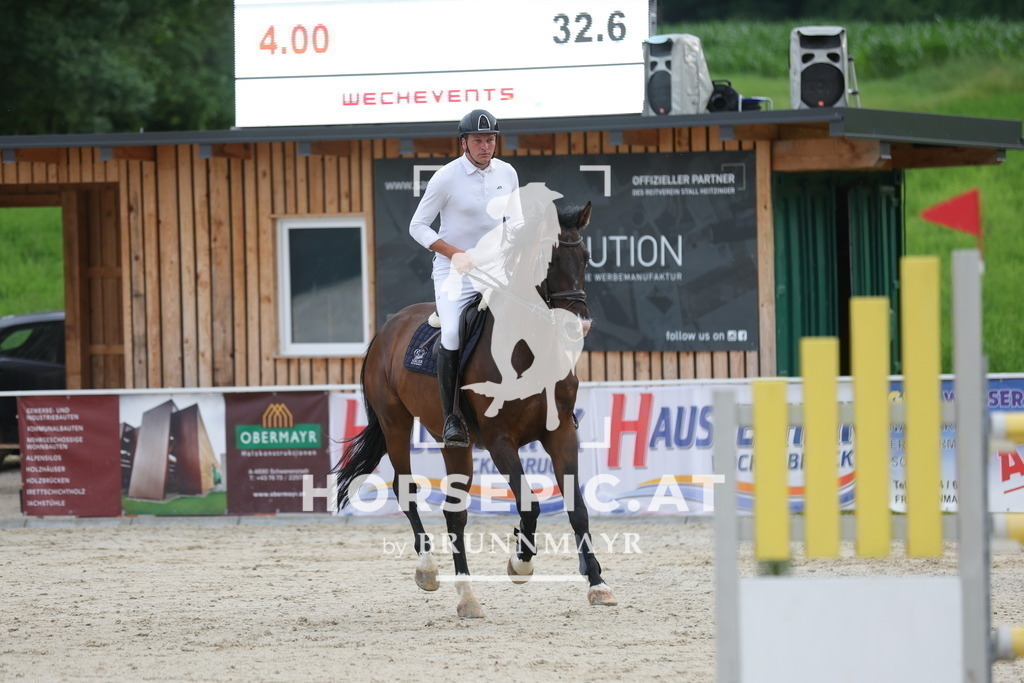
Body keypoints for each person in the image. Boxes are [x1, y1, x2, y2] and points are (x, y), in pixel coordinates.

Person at [408, 109, 523, 447]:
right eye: (478, 140)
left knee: (534, 315)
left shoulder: (508, 172)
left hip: (495, 269)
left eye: (490, 139)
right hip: (454, 271)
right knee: (454, 333)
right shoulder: (446, 178)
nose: (486, 146)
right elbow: (417, 226)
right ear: (464, 143)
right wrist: (453, 253)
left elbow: (514, 221)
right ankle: (452, 417)